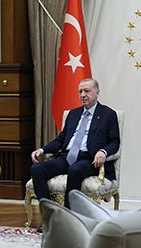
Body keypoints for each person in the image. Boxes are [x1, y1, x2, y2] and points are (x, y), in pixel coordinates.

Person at [30, 78, 120, 208]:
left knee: (75, 170)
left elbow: (114, 142)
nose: (83, 95)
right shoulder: (73, 114)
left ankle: (69, 215)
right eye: (80, 91)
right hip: (67, 157)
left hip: (89, 159)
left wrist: (103, 152)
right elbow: (61, 140)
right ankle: (50, 212)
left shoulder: (108, 114)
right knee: (37, 169)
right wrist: (42, 150)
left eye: (87, 91)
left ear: (97, 93)